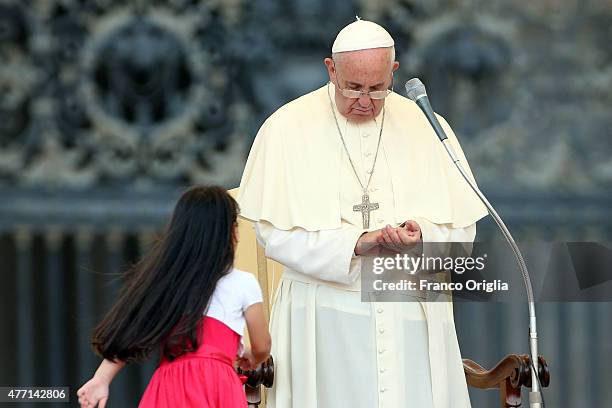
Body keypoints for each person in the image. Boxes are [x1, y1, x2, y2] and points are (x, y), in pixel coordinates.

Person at [237, 18, 488, 408]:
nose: (365, 100)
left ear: (395, 72)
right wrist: (355, 243)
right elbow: (273, 235)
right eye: (352, 87)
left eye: (378, 88)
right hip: (322, 319)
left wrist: (421, 235)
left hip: (411, 313)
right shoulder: (286, 128)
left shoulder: (428, 126)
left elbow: (463, 236)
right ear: (330, 69)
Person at [76, 185, 271, 408]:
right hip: (217, 385)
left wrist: (101, 379)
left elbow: (130, 334)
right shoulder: (243, 282)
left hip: (169, 387)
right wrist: (250, 357)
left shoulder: (168, 283)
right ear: (232, 233)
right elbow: (262, 345)